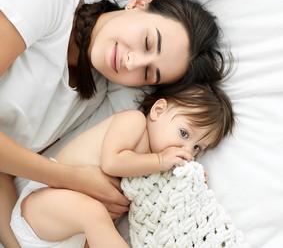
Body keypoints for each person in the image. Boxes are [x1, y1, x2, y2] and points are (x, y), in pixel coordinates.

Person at [0, 0, 231, 246]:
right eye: (147, 42)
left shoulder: (92, 95)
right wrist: (72, 177)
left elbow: (7, 167)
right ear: (139, 4)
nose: (132, 63)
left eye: (147, 74)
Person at [10, 83, 235, 248]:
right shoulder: (133, 122)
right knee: (93, 213)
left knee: (99, 225)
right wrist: (160, 161)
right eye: (184, 133)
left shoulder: (158, 165)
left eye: (197, 148)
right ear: (158, 111)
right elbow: (112, 162)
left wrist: (191, 182)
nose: (187, 150)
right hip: (42, 205)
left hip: (74, 238)